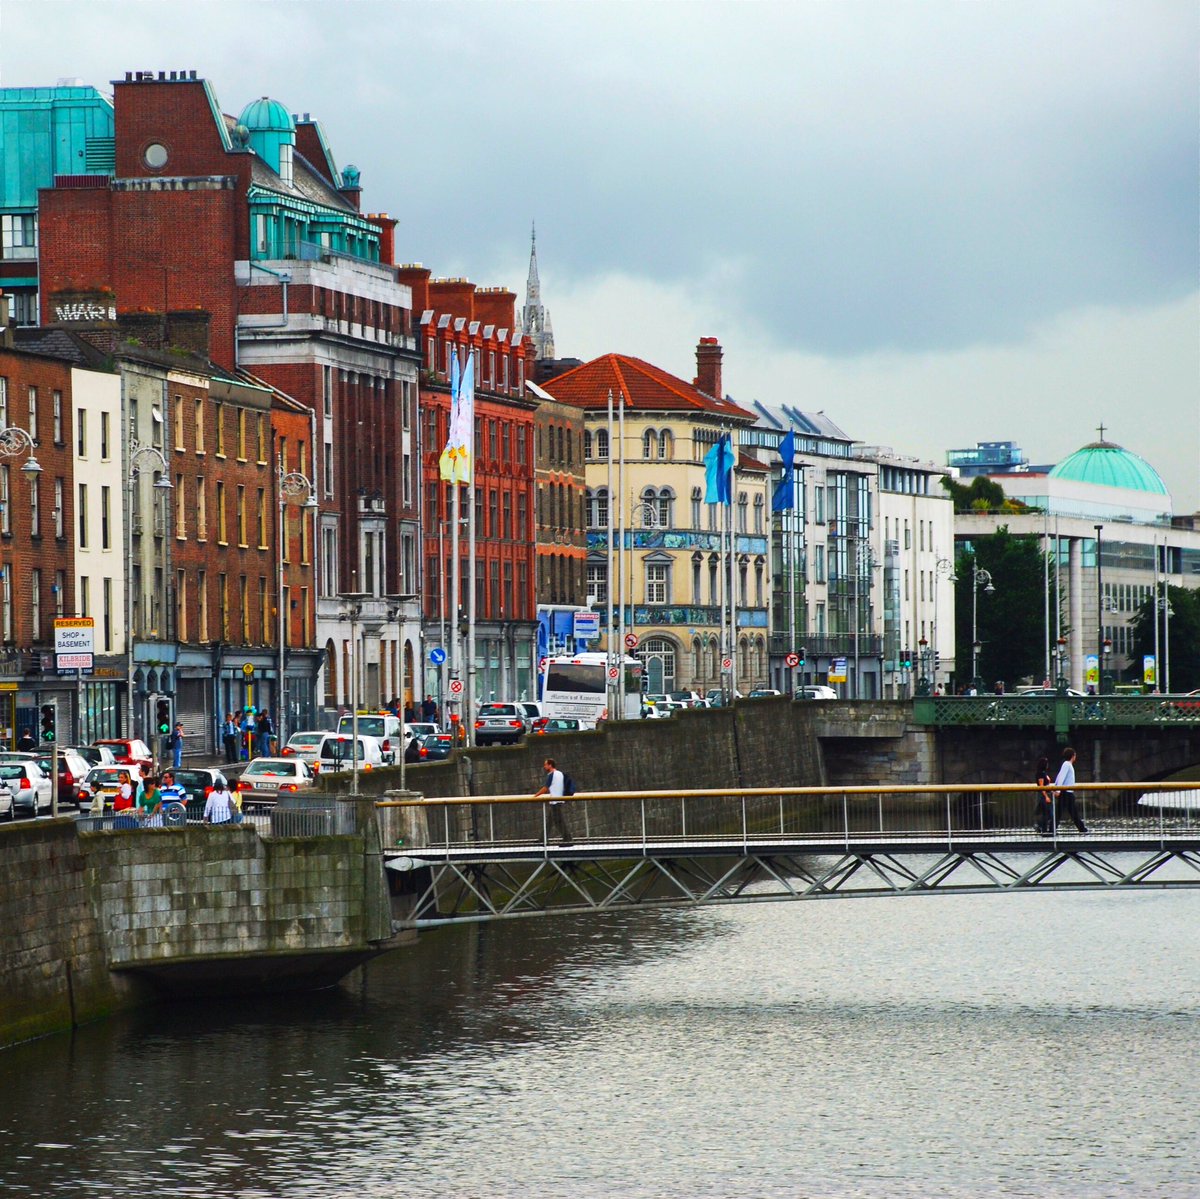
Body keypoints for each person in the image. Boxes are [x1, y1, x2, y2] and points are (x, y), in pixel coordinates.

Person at [533, 757, 572, 845]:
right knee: (549, 822)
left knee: (559, 822)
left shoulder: (551, 775)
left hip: (554, 801)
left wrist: (536, 795)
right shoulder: (560, 773)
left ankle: (568, 840)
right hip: (559, 800)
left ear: (550, 765)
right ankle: (542, 839)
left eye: (545, 765)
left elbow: (545, 788)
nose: (544, 767)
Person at [1053, 746, 1087, 833]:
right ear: (1073, 756)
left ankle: (1051, 829)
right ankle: (1082, 829)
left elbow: (1059, 777)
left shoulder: (1066, 764)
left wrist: (1056, 787)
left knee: (1060, 813)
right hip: (1066, 792)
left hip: (1066, 792)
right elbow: (1061, 777)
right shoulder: (1067, 764)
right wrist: (1057, 790)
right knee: (1071, 812)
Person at [1033, 755, 1054, 834]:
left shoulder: (1044, 773)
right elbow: (1041, 786)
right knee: (1048, 813)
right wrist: (1046, 796)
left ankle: (1044, 829)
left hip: (1047, 793)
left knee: (1047, 813)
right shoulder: (1040, 774)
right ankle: (1040, 826)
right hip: (1043, 795)